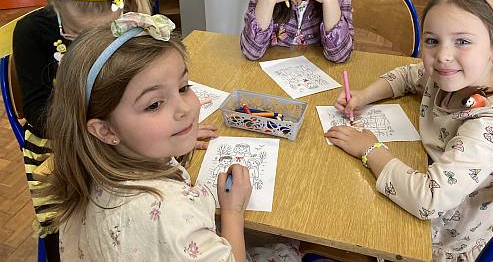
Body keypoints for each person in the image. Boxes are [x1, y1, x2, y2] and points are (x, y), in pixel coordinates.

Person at [43, 13, 300, 262]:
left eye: (183, 87)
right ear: (106, 130)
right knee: (286, 248)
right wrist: (233, 212)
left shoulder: (89, 163)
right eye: (154, 105)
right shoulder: (170, 214)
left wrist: (174, 137)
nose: (185, 109)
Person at [326, 0, 493, 261]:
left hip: (433, 242)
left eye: (462, 41)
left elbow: (429, 199)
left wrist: (369, 148)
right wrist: (363, 96)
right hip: (420, 183)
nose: (443, 55)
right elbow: (408, 75)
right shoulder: (455, 77)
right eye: (432, 41)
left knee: (333, 209)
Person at [12, 0, 153, 260]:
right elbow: (38, 114)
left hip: (115, 136)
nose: (91, 43)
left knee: (132, 220)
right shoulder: (32, 31)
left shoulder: (129, 24)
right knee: (69, 233)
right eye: (76, 34)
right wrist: (106, 128)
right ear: (56, 3)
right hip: (57, 148)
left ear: (121, 6)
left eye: (102, 33)